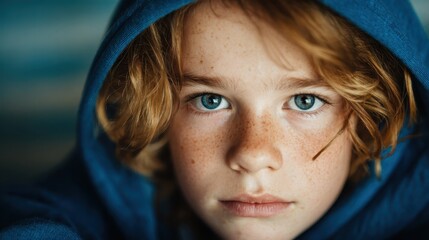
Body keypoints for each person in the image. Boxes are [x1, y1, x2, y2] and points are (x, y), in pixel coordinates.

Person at [1, 0, 428, 239]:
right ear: (156, 108)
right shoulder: (95, 207)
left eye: (303, 101)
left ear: (372, 114)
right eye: (209, 100)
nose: (253, 155)